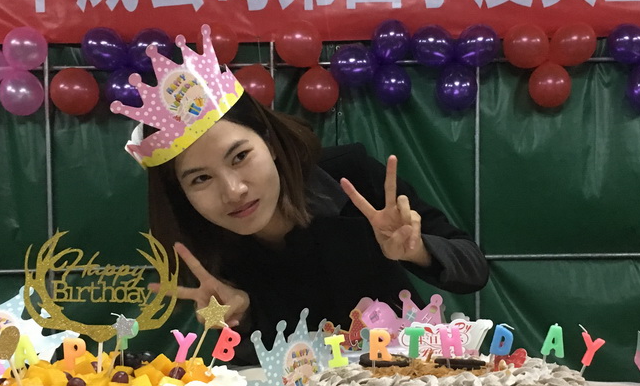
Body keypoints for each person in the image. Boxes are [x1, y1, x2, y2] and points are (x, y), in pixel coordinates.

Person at [114, 27, 488, 365]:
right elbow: (254, 367)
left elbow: (473, 269)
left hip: (403, 384)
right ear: (181, 192)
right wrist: (242, 314)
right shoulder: (203, 247)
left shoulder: (350, 177)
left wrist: (417, 249)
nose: (234, 191)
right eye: (200, 179)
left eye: (240, 157)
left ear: (270, 141)